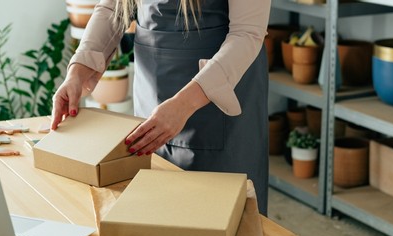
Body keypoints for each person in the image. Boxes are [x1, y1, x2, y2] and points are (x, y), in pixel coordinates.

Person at [51, 0, 271, 215]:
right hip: (151, 98)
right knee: (158, 212)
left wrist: (184, 104)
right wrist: (77, 73)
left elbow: (247, 34)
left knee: (219, 219)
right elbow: (114, 7)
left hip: (218, 104)